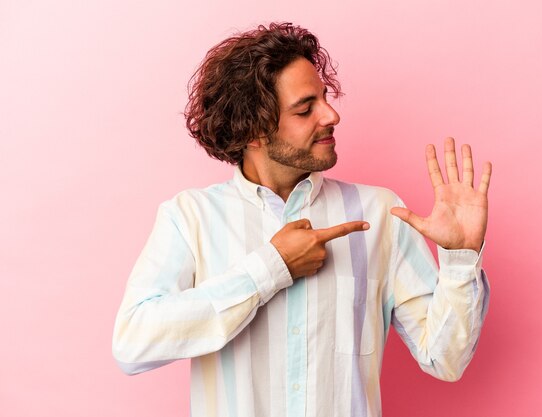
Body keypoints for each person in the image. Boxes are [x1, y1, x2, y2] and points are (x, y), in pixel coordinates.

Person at [112, 22, 492, 417]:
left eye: (324, 98)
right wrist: (270, 268)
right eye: (305, 108)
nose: (331, 115)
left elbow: (446, 360)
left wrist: (460, 258)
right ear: (253, 129)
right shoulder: (189, 218)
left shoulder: (381, 214)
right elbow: (133, 344)